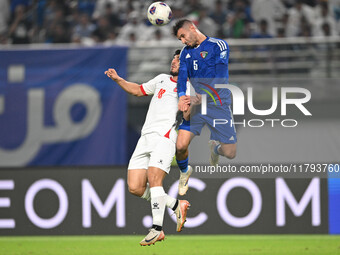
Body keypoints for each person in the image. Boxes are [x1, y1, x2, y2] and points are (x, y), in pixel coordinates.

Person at [104, 50, 190, 246]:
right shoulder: (161, 79)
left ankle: (157, 229)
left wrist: (188, 109)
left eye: (179, 59)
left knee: (154, 178)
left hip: (165, 136)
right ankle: (176, 204)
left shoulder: (189, 87)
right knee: (135, 187)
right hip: (145, 137)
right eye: (174, 58)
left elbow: (188, 116)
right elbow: (138, 90)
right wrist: (118, 79)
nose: (174, 61)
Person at [173, 19, 237, 196]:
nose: (183, 42)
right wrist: (181, 98)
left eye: (183, 36)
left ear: (192, 27)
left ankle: (215, 148)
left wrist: (206, 95)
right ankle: (185, 172)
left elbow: (221, 77)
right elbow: (181, 79)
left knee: (230, 153)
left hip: (218, 104)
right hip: (197, 105)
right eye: (180, 40)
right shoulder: (186, 53)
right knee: (180, 146)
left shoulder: (218, 45)